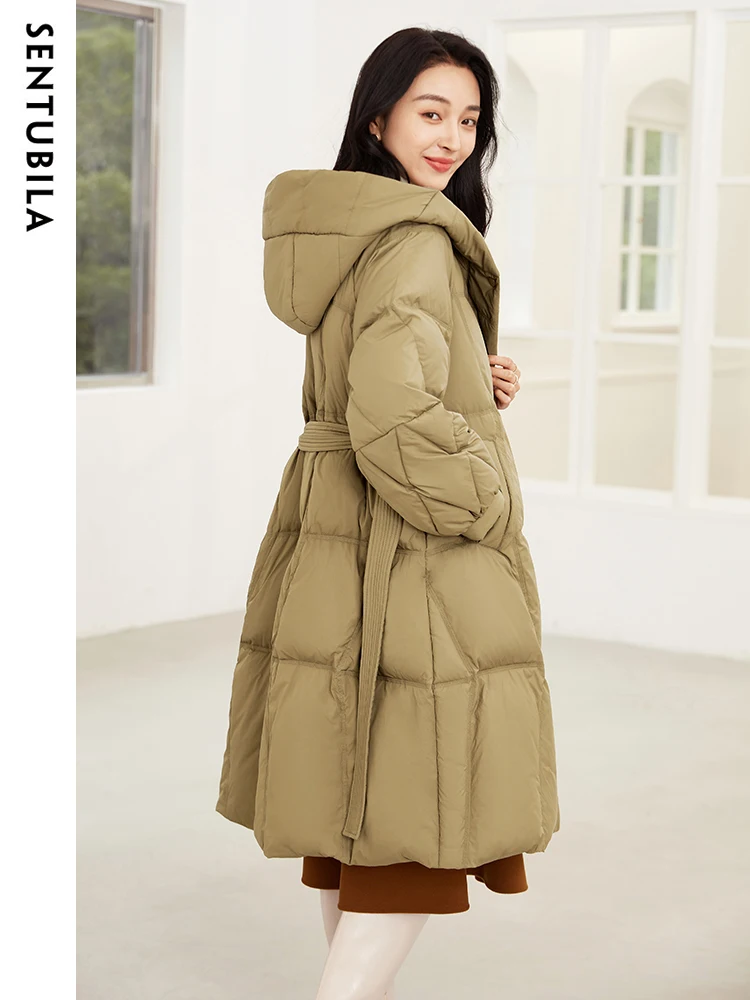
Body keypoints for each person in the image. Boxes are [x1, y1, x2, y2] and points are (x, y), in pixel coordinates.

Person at [215, 25, 561, 1000]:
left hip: (332, 528)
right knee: (416, 809)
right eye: (430, 112)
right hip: (404, 550)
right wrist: (487, 500)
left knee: (358, 816)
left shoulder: (351, 232)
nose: (452, 137)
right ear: (378, 119)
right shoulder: (415, 239)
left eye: (470, 119)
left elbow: (374, 373)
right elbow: (395, 417)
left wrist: (472, 379)